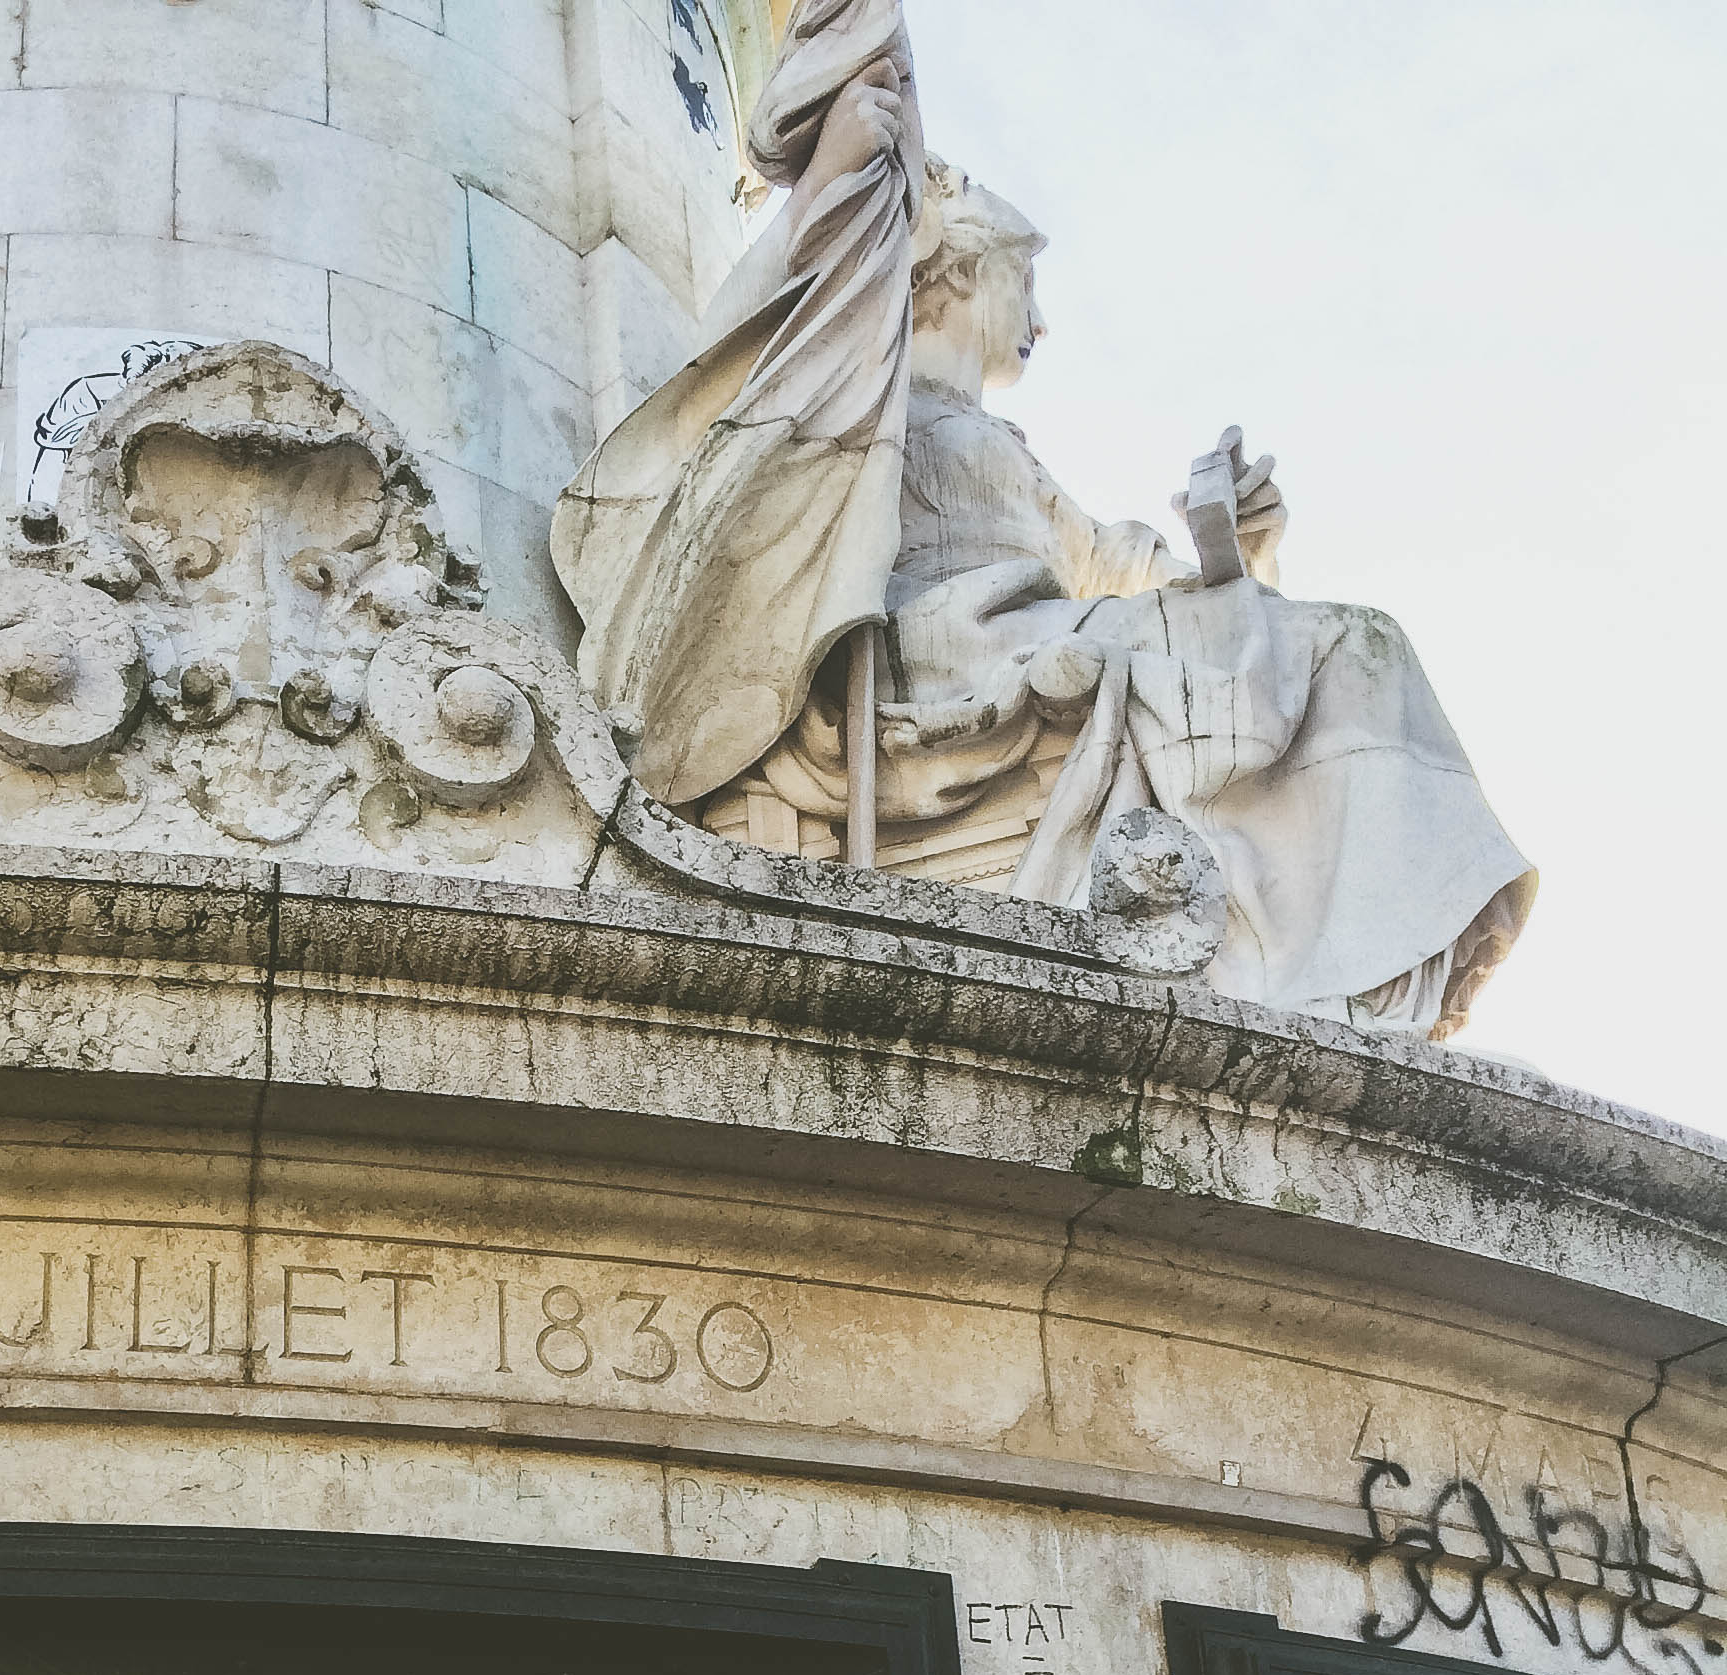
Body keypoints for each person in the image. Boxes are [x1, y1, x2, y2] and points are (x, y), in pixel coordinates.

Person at [552, 0, 1533, 1036]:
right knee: (1335, 648)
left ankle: (1361, 978)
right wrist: (853, 190)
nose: (1042, 321)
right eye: (1025, 284)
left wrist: (1234, 548)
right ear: (960, 269)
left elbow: (1112, 563)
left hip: (1043, 635)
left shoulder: (1006, 448)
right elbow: (756, 360)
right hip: (945, 652)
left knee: (1353, 641)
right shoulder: (855, 362)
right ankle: (1350, 974)